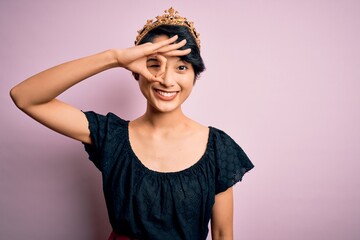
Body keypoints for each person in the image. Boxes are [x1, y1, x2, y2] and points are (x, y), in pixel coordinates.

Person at [10, 7, 254, 240]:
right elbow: (25, 97)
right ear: (136, 70)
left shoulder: (217, 147)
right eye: (154, 64)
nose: (167, 80)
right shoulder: (111, 136)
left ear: (195, 76)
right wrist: (114, 57)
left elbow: (223, 234)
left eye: (181, 67)